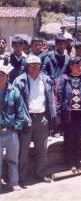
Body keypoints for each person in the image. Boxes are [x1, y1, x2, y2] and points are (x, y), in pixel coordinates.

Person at [13, 55, 56, 185]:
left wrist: (51, 118)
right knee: (23, 150)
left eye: (37, 65)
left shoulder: (46, 80)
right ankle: (21, 177)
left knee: (42, 149)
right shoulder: (20, 81)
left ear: (41, 66)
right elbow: (15, 102)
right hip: (26, 118)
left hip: (42, 118)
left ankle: (41, 173)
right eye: (32, 65)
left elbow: (51, 101)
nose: (35, 68)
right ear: (27, 66)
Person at [56, 57, 81, 171]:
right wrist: (58, 112)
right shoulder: (63, 79)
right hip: (68, 114)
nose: (80, 67)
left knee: (78, 138)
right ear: (71, 66)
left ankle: (77, 161)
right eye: (77, 65)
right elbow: (58, 95)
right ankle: (69, 162)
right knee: (68, 138)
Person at [0, 61, 27, 191]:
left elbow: (21, 112)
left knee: (13, 158)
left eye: (2, 75)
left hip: (11, 131)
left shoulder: (14, 91)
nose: (0, 77)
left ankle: (14, 182)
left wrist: (17, 128)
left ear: (7, 77)